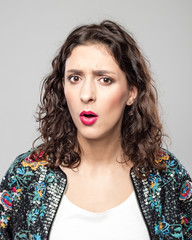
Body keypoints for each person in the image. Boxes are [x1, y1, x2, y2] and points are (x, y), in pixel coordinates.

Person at [0, 20, 191, 240]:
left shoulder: (167, 175)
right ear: (62, 88)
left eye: (105, 79)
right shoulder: (26, 175)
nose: (86, 94)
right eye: (75, 78)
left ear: (131, 93)